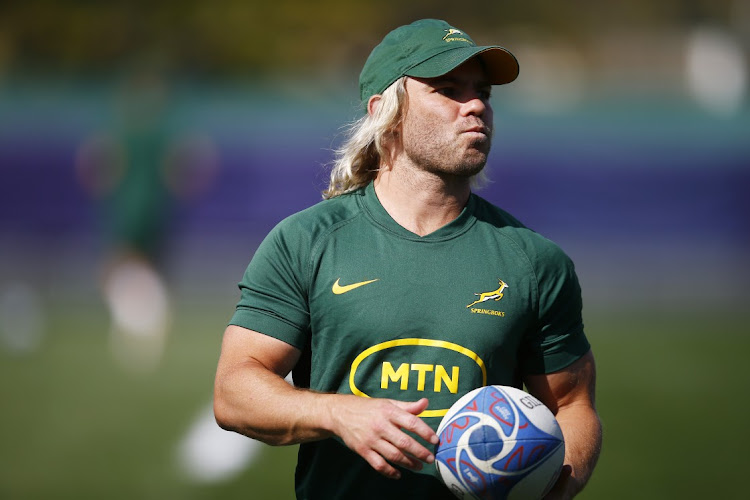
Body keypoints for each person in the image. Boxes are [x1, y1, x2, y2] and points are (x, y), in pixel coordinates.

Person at [214, 18, 602, 499]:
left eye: (482, 91)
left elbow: (572, 404)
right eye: (447, 90)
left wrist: (557, 486)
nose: (477, 105)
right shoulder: (306, 241)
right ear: (386, 112)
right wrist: (337, 413)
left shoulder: (535, 261)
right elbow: (234, 390)